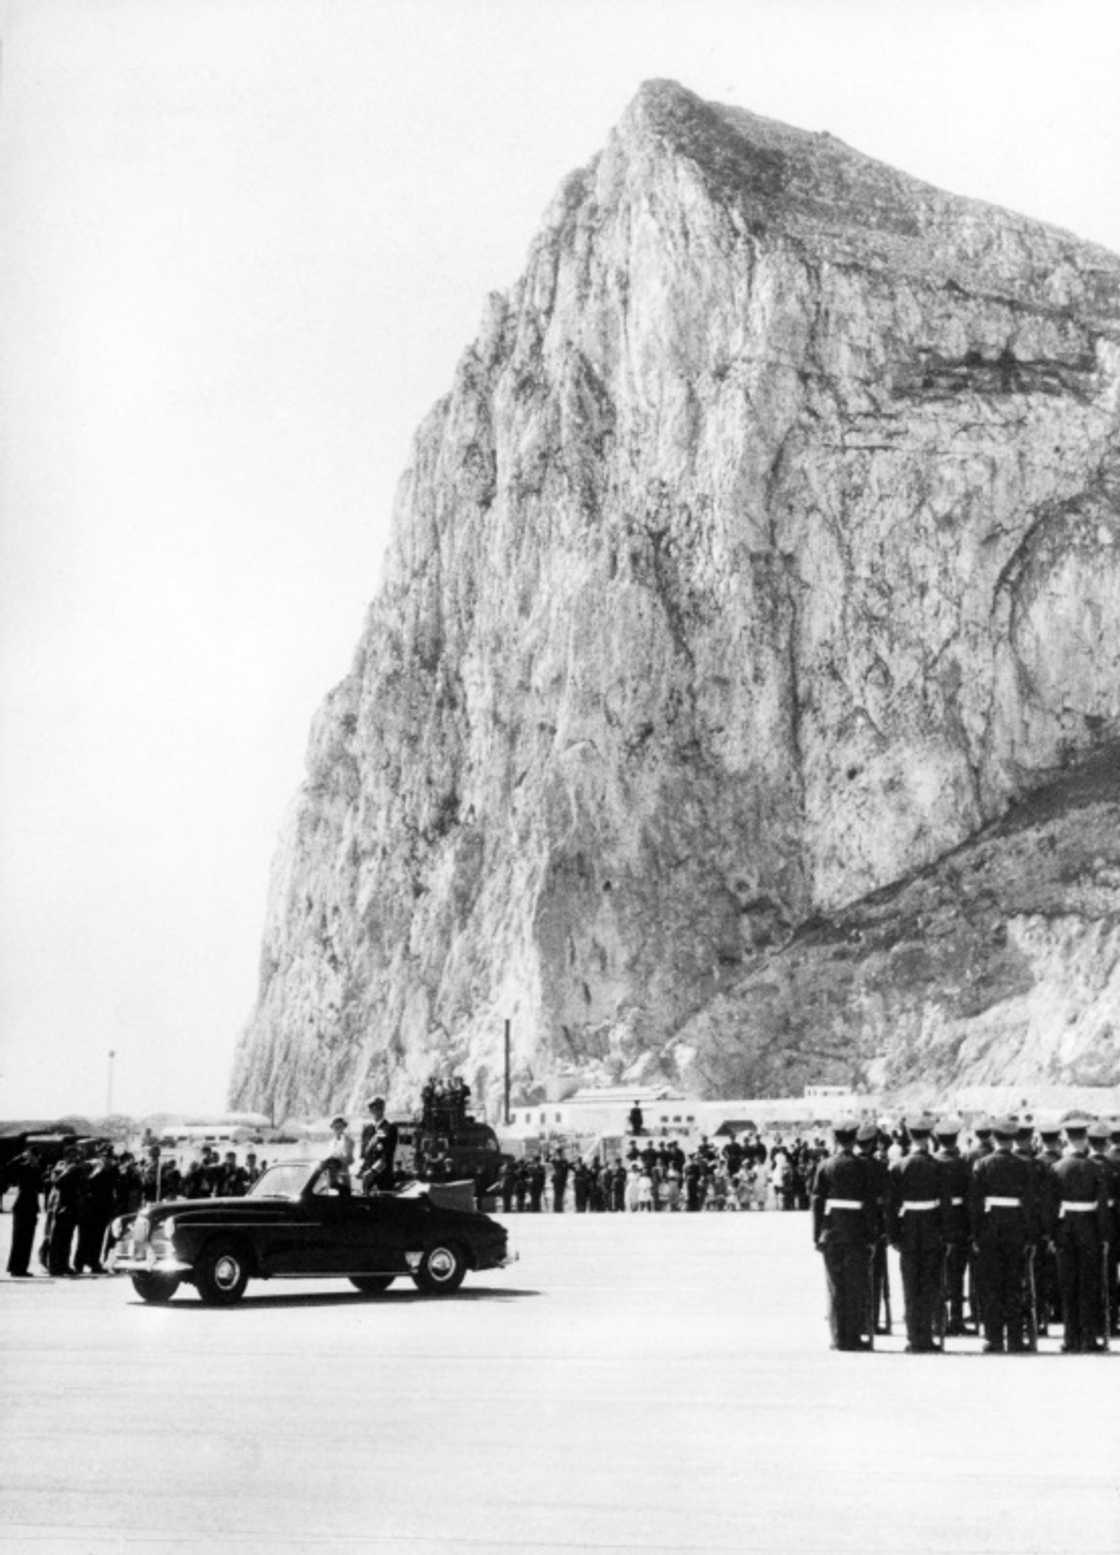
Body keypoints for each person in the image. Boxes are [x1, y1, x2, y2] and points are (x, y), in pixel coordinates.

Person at [969, 1115, 1037, 1353]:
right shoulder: (1024, 1165)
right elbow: (1029, 1205)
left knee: (991, 1285)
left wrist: (975, 1235)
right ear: (1012, 1140)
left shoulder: (982, 1164)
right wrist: (1030, 1236)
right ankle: (1016, 1337)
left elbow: (975, 1205)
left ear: (994, 1138)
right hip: (1016, 1229)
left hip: (989, 1230)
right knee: (1014, 1284)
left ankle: (993, 1337)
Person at [811, 1118, 875, 1351]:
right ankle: (854, 1335)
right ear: (854, 1139)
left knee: (835, 1286)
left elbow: (817, 1203)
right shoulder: (862, 1166)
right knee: (856, 1286)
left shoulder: (825, 1166)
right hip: (857, 1233)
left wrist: (816, 1235)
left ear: (836, 1139)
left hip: (832, 1233)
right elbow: (869, 1204)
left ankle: (838, 1337)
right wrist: (871, 1235)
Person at [1047, 1118, 1109, 1352]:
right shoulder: (1096, 1168)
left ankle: (1070, 1338)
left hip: (1064, 1232)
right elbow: (1102, 1207)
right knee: (1089, 1285)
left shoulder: (1057, 1167)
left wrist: (1052, 1235)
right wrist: (1104, 1236)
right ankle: (1088, 1338)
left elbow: (1050, 1207)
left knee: (1067, 1286)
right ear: (1084, 1140)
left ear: (1068, 1139)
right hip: (1089, 1231)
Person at [889, 1114, 946, 1352]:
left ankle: (914, 1337)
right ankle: (929, 1335)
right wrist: (945, 1233)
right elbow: (945, 1205)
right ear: (929, 1136)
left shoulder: (899, 1166)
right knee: (930, 1285)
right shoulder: (937, 1166)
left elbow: (891, 1207)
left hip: (909, 1230)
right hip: (932, 1230)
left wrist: (894, 1236)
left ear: (909, 1136)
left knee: (910, 1285)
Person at [933, 1117, 971, 1336]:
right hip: (958, 1221)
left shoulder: (933, 1163)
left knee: (938, 1272)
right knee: (957, 1273)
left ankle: (939, 1317)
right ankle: (956, 1317)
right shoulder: (962, 1164)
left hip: (936, 1220)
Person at [5, 1148, 42, 1277]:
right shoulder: (22, 1167)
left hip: (32, 1206)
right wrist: (20, 1156)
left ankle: (22, 1267)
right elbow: (8, 1167)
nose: (32, 1158)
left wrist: (36, 1165)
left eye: (34, 1156)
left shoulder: (37, 1169)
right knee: (18, 1238)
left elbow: (40, 1186)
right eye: (31, 1156)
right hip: (21, 1205)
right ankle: (15, 1268)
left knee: (28, 1239)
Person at [359, 1097, 398, 1193]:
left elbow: (388, 1153)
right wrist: (362, 1169)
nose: (375, 1111)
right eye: (372, 1108)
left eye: (378, 1108)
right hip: (368, 1173)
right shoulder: (367, 1129)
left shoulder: (390, 1127)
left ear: (383, 1109)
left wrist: (373, 1171)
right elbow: (364, 1153)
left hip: (383, 1173)